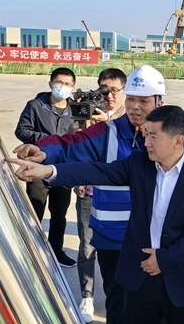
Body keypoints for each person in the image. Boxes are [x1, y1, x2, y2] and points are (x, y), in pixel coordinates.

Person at [8, 106, 184, 324]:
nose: (146, 143)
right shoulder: (139, 163)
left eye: (153, 137)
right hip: (139, 276)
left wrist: (164, 258)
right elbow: (99, 171)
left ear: (178, 141)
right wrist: (49, 171)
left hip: (181, 280)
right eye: (146, 134)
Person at [13, 65, 166, 324]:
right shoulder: (108, 132)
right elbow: (70, 144)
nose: (135, 107)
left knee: (153, 306)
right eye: (131, 99)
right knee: (119, 304)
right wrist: (43, 151)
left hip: (154, 238)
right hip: (113, 238)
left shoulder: (169, 137)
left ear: (159, 102)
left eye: (143, 101)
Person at [71, 68, 127, 323]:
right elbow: (74, 145)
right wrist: (83, 120)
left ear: (123, 91)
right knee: (86, 247)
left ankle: (115, 297)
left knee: (116, 253)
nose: (109, 96)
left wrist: (108, 123)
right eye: (103, 90)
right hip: (89, 193)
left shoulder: (130, 119)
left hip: (117, 199)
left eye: (114, 90)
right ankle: (87, 295)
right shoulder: (88, 112)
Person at [14, 67, 77, 267]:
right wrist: (48, 139)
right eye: (59, 83)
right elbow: (21, 131)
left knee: (59, 214)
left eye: (67, 84)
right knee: (34, 212)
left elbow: (82, 137)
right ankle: (30, 252)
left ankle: (56, 251)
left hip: (63, 170)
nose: (62, 87)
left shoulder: (77, 110)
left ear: (73, 87)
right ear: (50, 84)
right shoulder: (35, 105)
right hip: (37, 168)